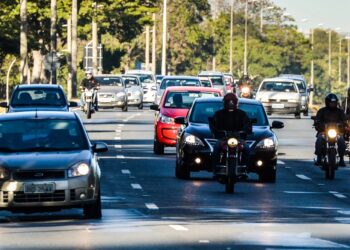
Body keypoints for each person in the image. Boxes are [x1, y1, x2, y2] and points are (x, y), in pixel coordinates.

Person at [210, 93, 252, 173]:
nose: (231, 104)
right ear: (225, 102)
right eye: (229, 102)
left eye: (233, 102)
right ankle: (216, 168)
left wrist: (245, 131)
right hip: (224, 138)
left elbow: (247, 124)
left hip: (238, 139)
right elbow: (214, 124)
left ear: (236, 103)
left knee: (246, 149)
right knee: (216, 148)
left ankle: (245, 167)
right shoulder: (218, 114)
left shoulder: (242, 114)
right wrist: (217, 131)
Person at [314, 93, 347, 167]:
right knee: (319, 139)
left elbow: (344, 120)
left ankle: (341, 159)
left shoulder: (340, 111)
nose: (333, 104)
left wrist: (344, 123)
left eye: (334, 102)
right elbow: (317, 119)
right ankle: (319, 158)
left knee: (341, 140)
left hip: (337, 132)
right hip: (324, 131)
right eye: (331, 102)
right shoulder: (322, 111)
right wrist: (317, 122)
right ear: (327, 102)